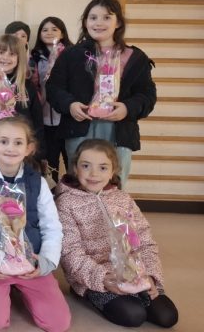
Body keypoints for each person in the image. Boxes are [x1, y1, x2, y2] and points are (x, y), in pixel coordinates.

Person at [0, 117, 71, 332]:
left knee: (58, 324)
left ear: (29, 148)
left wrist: (47, 261)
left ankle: (21, 286)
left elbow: (52, 226)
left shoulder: (37, 181)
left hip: (30, 261)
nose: (10, 148)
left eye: (18, 142)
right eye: (4, 141)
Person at [56, 139, 178, 328]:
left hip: (133, 272)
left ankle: (136, 291)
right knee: (133, 315)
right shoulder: (66, 203)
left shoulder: (123, 198)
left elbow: (145, 240)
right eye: (86, 166)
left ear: (113, 170)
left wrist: (151, 276)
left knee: (167, 316)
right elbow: (70, 252)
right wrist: (103, 279)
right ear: (75, 168)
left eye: (103, 167)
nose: (94, 174)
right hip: (95, 276)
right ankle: (91, 294)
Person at [46, 0, 156, 184]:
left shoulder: (135, 57)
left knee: (114, 184)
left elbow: (147, 95)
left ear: (118, 22)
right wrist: (70, 105)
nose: (98, 23)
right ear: (85, 22)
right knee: (80, 183)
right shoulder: (71, 55)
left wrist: (127, 108)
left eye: (106, 17)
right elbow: (54, 88)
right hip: (79, 126)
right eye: (93, 17)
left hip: (118, 130)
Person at [0, 34, 44, 157]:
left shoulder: (26, 85)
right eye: (0, 52)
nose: (5, 57)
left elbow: (37, 120)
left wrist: (39, 152)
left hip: (21, 146)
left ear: (19, 58)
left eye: (12, 54)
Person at [29, 17, 73, 182]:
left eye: (54, 29)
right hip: (45, 118)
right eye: (45, 29)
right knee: (50, 162)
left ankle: (72, 194)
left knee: (71, 160)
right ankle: (52, 194)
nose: (49, 33)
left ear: (62, 33)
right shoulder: (34, 57)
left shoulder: (72, 54)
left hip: (68, 117)